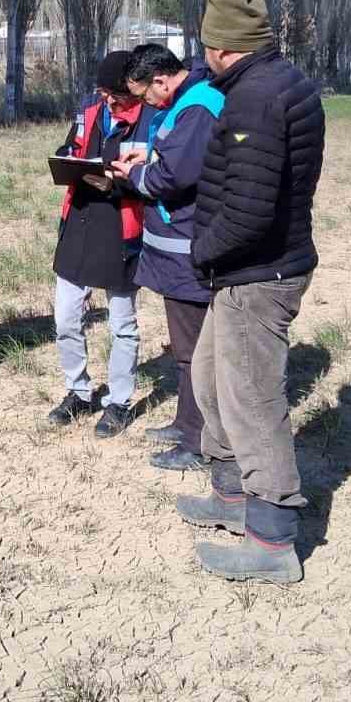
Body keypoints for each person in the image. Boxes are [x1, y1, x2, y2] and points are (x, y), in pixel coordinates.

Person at [176, 0, 325, 585]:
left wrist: (200, 253)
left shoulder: (256, 99)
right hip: (247, 270)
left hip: (257, 274)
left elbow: (249, 210)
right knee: (211, 381)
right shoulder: (276, 82)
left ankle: (271, 540)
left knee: (253, 402)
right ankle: (231, 496)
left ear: (219, 46)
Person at [109, 42, 223, 471]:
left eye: (144, 95)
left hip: (187, 252)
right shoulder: (186, 101)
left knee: (194, 350)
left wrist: (136, 173)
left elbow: (174, 177)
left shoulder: (198, 106)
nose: (146, 104)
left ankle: (197, 443)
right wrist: (149, 155)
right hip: (174, 249)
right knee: (184, 345)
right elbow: (179, 156)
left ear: (160, 80)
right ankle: (185, 423)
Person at [45, 51, 147, 438]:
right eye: (102, 92)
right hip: (79, 224)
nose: (106, 100)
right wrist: (68, 161)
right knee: (66, 318)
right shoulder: (89, 112)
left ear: (132, 89)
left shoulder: (150, 119)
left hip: (120, 230)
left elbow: (160, 178)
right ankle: (79, 391)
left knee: (122, 325)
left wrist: (116, 182)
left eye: (113, 94)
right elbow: (70, 148)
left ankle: (119, 402)